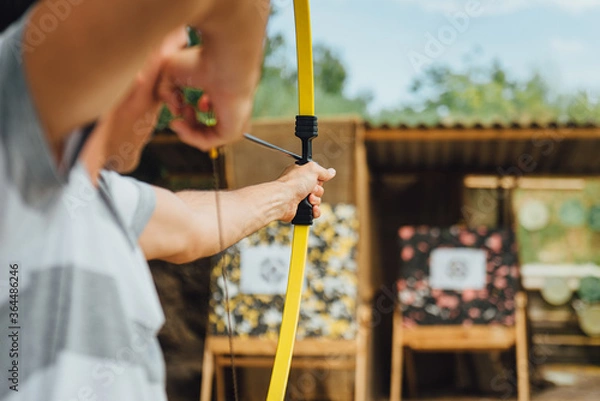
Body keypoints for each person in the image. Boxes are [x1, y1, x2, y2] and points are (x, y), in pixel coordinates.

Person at [0, 2, 335, 401]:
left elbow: (191, 225)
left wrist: (287, 192)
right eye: (175, 40)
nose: (184, 54)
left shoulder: (95, 199)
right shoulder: (13, 143)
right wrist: (233, 85)